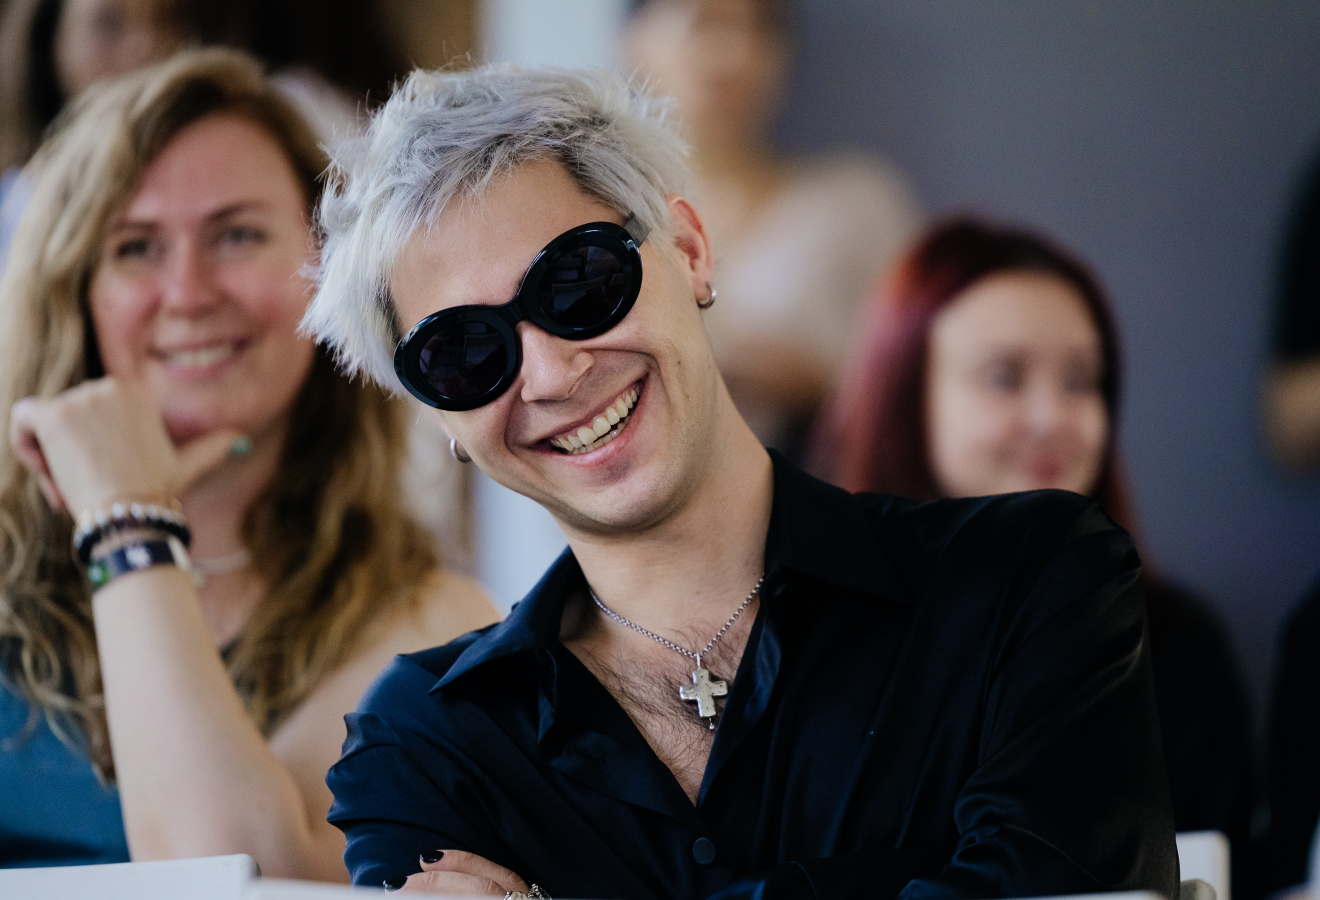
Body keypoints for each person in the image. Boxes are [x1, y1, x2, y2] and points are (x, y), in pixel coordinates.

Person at [305, 64, 1178, 899]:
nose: (550, 374)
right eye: (464, 353)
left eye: (579, 283)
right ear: (438, 415)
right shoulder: (425, 747)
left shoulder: (1030, 583)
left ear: (689, 251)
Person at [0, 48, 495, 875]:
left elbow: (224, 875)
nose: (189, 292)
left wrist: (129, 523)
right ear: (74, 292)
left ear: (327, 275)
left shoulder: (431, 628)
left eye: (237, 235)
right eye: (136, 247)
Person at [811, 217, 1255, 895]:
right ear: (906, 395)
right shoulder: (815, 647)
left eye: (1081, 379)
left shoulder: (1179, 644)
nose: (1052, 417)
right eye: (1004, 376)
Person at [620, 0, 921, 457]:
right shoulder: (608, 220)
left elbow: (923, 380)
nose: (735, 53)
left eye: (761, 30)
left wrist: (814, 383)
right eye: (705, 24)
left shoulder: (855, 203)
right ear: (636, 40)